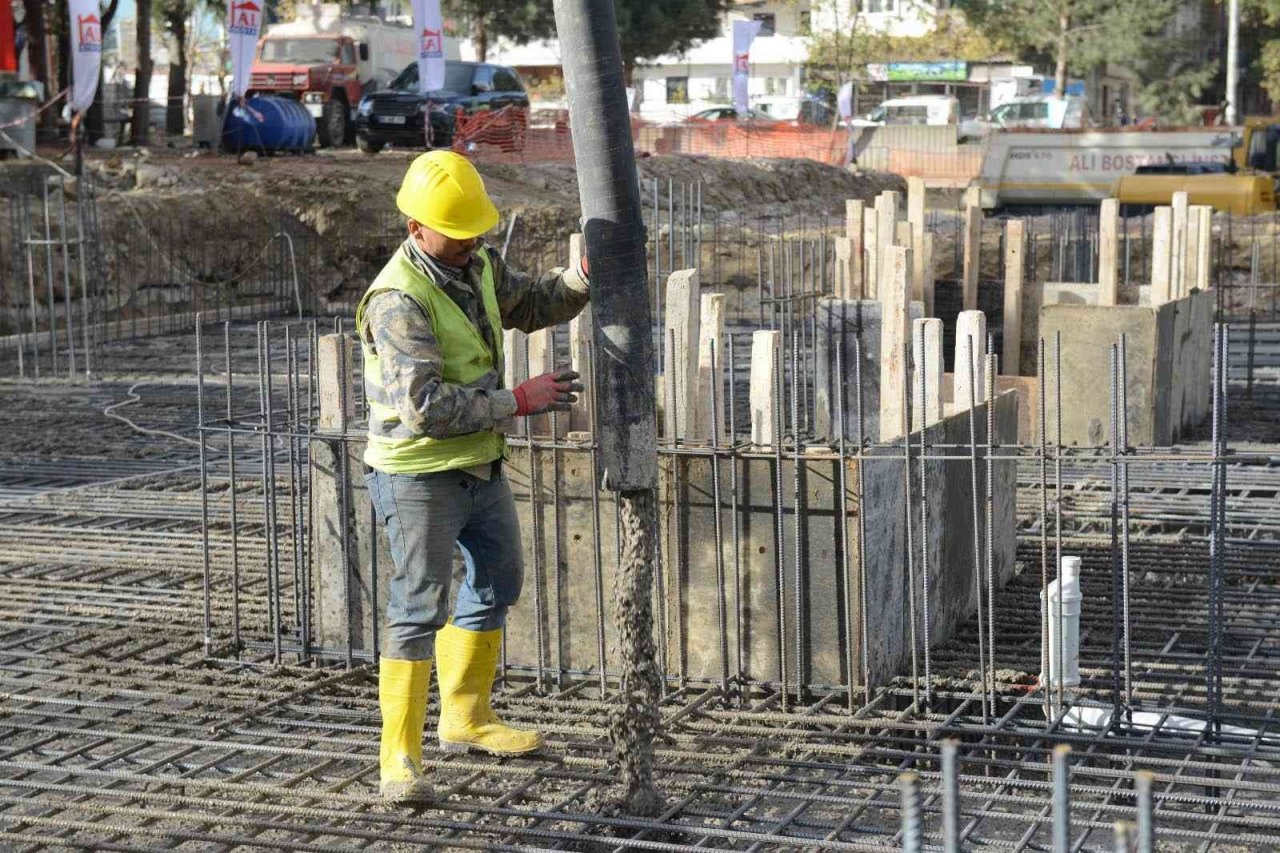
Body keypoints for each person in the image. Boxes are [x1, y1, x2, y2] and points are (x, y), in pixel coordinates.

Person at [357, 150, 589, 803]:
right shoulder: (398, 301)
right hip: (418, 472)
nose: (469, 245)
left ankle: (466, 716)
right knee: (417, 604)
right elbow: (425, 408)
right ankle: (397, 758)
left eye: (475, 233)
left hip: (477, 460)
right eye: (456, 236)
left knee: (497, 578)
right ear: (416, 229)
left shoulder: (476, 262)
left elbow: (527, 301)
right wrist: (518, 400)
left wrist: (579, 277)